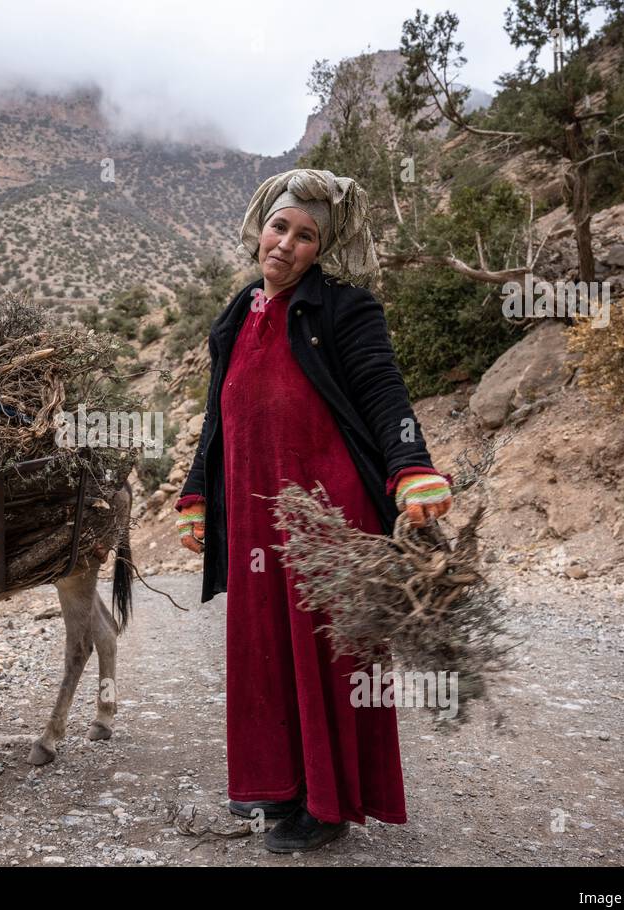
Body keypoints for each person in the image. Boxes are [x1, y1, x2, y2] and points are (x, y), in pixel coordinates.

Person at [173, 169, 453, 853]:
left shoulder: (342, 308)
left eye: (306, 236)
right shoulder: (240, 312)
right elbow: (220, 411)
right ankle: (275, 784)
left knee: (329, 654)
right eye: (280, 226)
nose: (287, 244)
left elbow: (385, 391)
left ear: (320, 250)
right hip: (252, 513)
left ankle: (327, 805)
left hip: (327, 516)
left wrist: (412, 467)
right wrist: (194, 491)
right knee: (262, 646)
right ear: (260, 226)